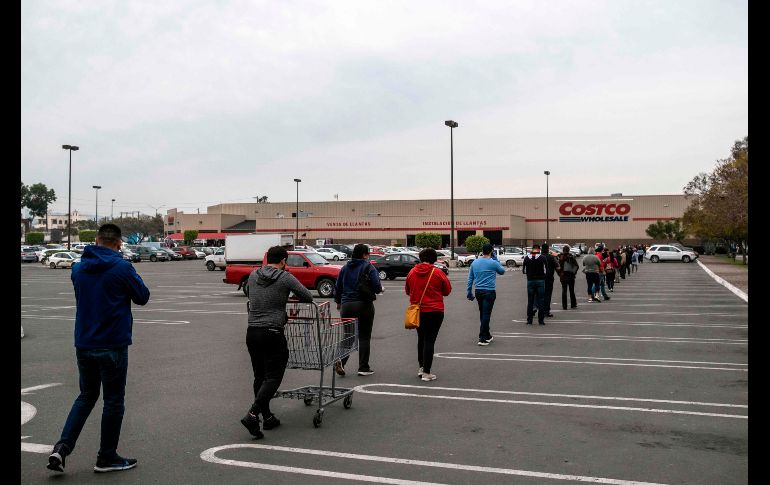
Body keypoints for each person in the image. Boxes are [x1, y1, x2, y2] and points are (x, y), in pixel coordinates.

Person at [48, 224, 150, 474]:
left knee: (86, 396)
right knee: (113, 401)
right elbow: (142, 296)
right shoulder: (122, 267)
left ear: (96, 240)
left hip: (84, 342)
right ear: (118, 243)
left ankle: (61, 448)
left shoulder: (78, 268)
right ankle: (107, 457)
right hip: (112, 344)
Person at [241, 245, 314, 439]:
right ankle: (253, 414)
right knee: (273, 376)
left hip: (252, 331)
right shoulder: (284, 277)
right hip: (272, 332)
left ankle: (267, 416)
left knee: (259, 376)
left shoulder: (254, 275)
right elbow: (307, 296)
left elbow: (251, 294)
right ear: (283, 261)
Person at [334, 243, 383, 376]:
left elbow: (338, 287)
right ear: (364, 255)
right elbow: (376, 286)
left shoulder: (344, 268)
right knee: (364, 337)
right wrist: (379, 289)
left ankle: (341, 361)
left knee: (348, 336)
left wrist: (338, 302)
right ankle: (363, 367)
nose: (368, 256)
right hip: (363, 304)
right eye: (368, 254)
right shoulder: (368, 267)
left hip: (346, 306)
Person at [405, 248, 452, 381]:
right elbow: (447, 290)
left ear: (420, 258)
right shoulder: (437, 272)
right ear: (434, 259)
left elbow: (407, 290)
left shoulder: (412, 272)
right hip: (435, 311)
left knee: (421, 339)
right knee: (429, 340)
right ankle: (427, 372)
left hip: (418, 310)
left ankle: (421, 367)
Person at [467, 243, 506, 343]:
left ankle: (487, 334)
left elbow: (470, 278)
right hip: (489, 291)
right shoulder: (493, 262)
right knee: (486, 314)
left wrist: (469, 291)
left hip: (478, 291)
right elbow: (502, 271)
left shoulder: (475, 263)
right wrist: (496, 259)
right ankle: (482, 337)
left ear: (482, 251)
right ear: (491, 252)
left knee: (482, 313)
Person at [522, 244, 548, 325]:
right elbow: (546, 270)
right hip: (540, 281)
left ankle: (529, 320)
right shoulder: (543, 258)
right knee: (541, 300)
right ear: (539, 250)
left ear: (532, 249)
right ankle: (541, 320)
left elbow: (524, 271)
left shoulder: (527, 257)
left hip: (530, 281)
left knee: (530, 301)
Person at [540, 243, 561, 318]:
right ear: (548, 249)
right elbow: (558, 267)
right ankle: (546, 311)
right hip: (549, 278)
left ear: (541, 249)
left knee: (539, 295)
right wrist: (560, 274)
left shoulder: (538, 257)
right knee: (548, 295)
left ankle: (539, 309)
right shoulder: (551, 257)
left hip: (539, 278)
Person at [558, 245, 579, 309]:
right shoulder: (571, 257)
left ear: (563, 250)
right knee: (571, 290)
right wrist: (574, 272)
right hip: (571, 276)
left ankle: (564, 306)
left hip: (563, 276)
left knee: (564, 291)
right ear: (568, 250)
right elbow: (577, 266)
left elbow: (558, 267)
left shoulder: (560, 257)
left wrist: (560, 274)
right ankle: (573, 304)